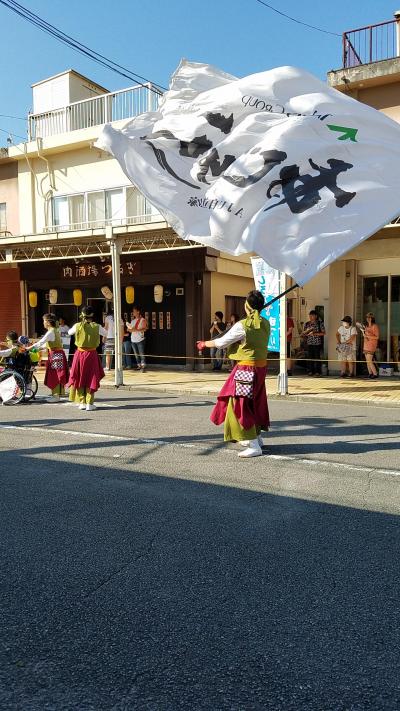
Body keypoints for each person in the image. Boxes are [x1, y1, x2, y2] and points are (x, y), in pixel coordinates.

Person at [197, 290, 270, 458]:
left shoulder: (242, 325)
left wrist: (204, 344)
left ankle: (253, 444)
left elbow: (221, 343)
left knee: (241, 404)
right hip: (260, 369)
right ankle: (257, 438)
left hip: (246, 369)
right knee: (255, 402)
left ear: (247, 306)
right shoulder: (265, 323)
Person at [67, 306, 106, 411]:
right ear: (92, 315)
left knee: (79, 377)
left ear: (82, 315)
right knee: (91, 377)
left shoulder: (77, 325)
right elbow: (106, 333)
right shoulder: (97, 326)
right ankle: (89, 403)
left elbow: (69, 332)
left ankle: (82, 402)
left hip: (79, 354)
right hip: (92, 354)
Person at [27, 313, 69, 402]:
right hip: (57, 354)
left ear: (48, 322)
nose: (43, 323)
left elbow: (41, 342)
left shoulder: (50, 332)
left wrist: (28, 348)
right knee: (58, 373)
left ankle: (56, 396)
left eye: (44, 321)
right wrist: (38, 349)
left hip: (55, 355)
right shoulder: (55, 330)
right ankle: (58, 393)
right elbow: (46, 344)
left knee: (55, 374)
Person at [302, 310, 325, 376]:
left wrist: (314, 333)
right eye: (310, 316)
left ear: (316, 316)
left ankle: (318, 372)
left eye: (312, 316)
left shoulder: (319, 323)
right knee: (310, 357)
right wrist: (305, 334)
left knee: (317, 357)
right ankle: (310, 371)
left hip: (317, 343)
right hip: (309, 343)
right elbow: (304, 333)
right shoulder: (307, 324)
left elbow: (323, 333)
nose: (311, 317)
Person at [357, 312, 380, 379]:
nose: (368, 318)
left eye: (370, 317)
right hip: (366, 344)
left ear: (372, 318)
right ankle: (370, 373)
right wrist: (365, 335)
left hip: (372, 345)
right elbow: (366, 336)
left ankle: (375, 374)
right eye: (367, 317)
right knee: (367, 361)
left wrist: (368, 336)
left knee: (369, 360)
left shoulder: (375, 326)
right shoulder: (366, 326)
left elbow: (377, 337)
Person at [126, 306, 148, 372]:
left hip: (140, 339)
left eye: (134, 311)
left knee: (141, 354)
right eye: (133, 311)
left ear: (138, 311)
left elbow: (145, 329)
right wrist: (130, 329)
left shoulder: (142, 320)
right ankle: (139, 365)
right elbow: (128, 330)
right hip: (133, 339)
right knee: (136, 354)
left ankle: (143, 366)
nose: (133, 313)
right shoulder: (132, 321)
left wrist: (135, 330)